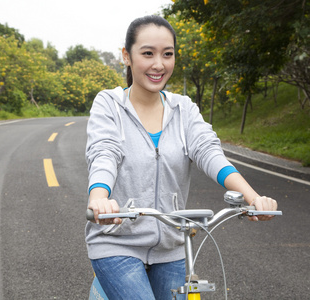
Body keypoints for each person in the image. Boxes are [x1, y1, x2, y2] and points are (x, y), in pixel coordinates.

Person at [85, 15, 278, 300]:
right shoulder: (109, 105)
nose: (158, 64)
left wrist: (253, 198)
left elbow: (209, 153)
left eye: (168, 54)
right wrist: (98, 199)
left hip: (173, 247)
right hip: (117, 243)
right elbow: (104, 153)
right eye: (148, 53)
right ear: (127, 56)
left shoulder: (184, 109)